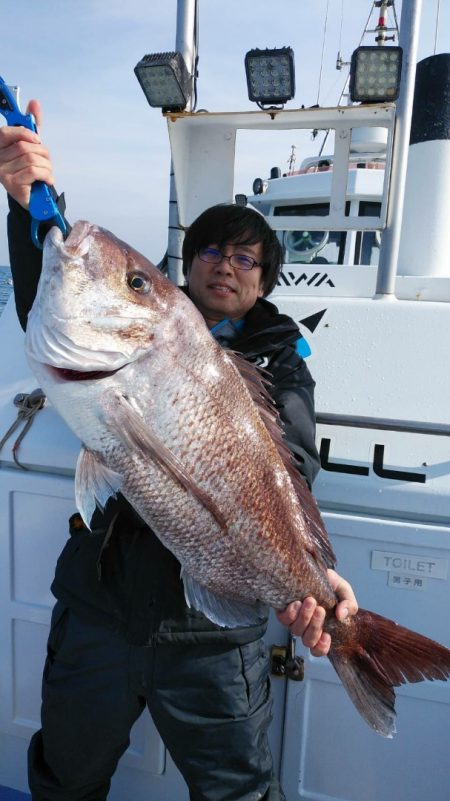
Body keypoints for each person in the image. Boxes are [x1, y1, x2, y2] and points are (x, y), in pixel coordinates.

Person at [0, 101, 358, 801]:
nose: (226, 265)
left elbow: (290, 464)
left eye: (246, 258)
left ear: (264, 281)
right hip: (100, 609)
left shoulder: (280, 359)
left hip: (211, 642)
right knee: (66, 777)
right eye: (212, 251)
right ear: (188, 265)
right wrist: (25, 201)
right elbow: (54, 295)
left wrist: (314, 576)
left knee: (237, 793)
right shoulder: (147, 326)